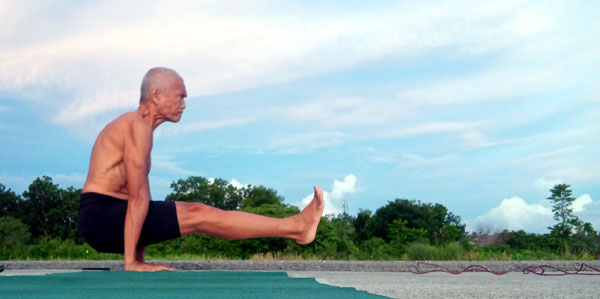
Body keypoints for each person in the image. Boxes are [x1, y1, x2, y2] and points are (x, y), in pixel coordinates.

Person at [79, 67, 325, 272]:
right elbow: (138, 198)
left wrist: (139, 257)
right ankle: (296, 228)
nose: (184, 105)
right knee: (196, 213)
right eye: (180, 96)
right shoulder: (136, 127)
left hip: (110, 217)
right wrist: (131, 262)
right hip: (101, 217)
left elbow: (143, 202)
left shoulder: (138, 128)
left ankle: (295, 227)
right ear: (156, 95)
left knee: (196, 212)